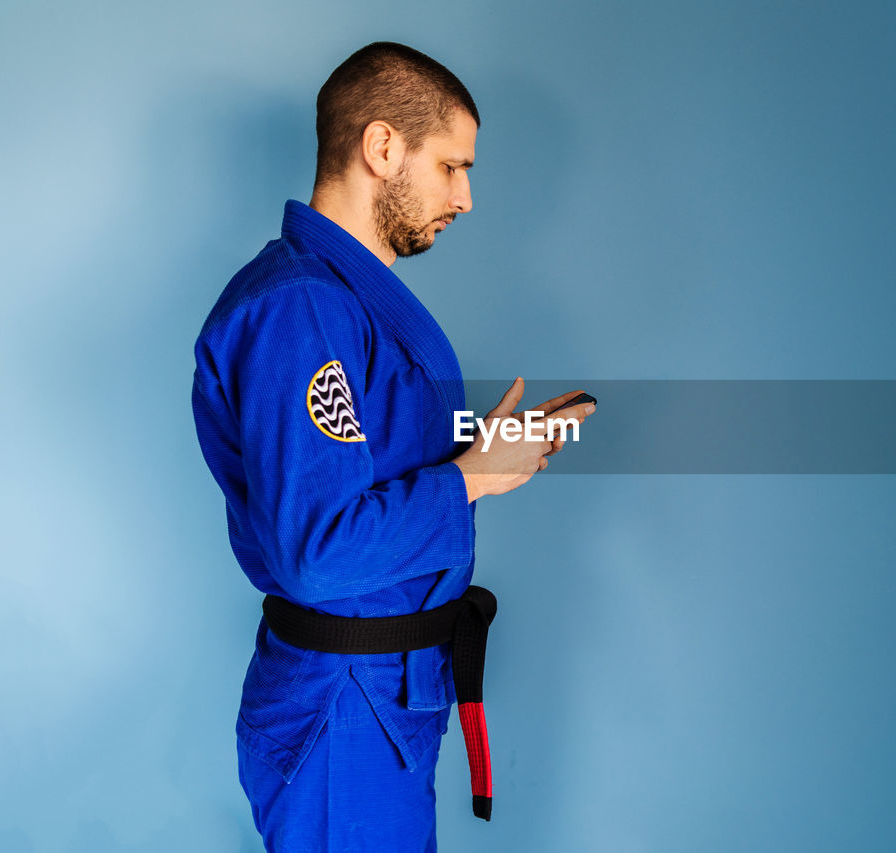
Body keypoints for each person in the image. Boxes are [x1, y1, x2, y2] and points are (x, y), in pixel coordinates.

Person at [189, 41, 595, 852]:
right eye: (452, 166)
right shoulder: (300, 311)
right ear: (382, 148)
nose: (468, 197)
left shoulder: (345, 304)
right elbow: (316, 549)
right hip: (343, 714)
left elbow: (369, 458)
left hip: (382, 704)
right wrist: (470, 481)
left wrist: (483, 451)